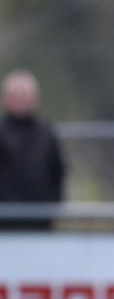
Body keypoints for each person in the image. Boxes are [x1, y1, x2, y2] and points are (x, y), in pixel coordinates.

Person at [0, 70, 65, 231]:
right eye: (15, 95)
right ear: (5, 98)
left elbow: (57, 172)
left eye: (24, 95)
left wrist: (52, 207)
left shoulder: (46, 133)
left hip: (39, 222)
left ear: (35, 99)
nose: (20, 100)